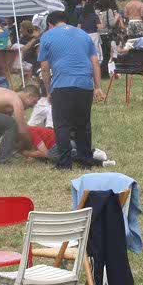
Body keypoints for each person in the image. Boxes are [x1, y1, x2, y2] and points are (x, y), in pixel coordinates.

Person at [38, 11, 105, 170]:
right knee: (83, 125)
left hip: (62, 85)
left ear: (50, 24)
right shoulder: (84, 35)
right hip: (84, 84)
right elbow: (95, 62)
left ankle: (65, 163)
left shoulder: (47, 36)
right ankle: (85, 161)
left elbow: (45, 68)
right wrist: (98, 87)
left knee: (62, 125)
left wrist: (49, 90)